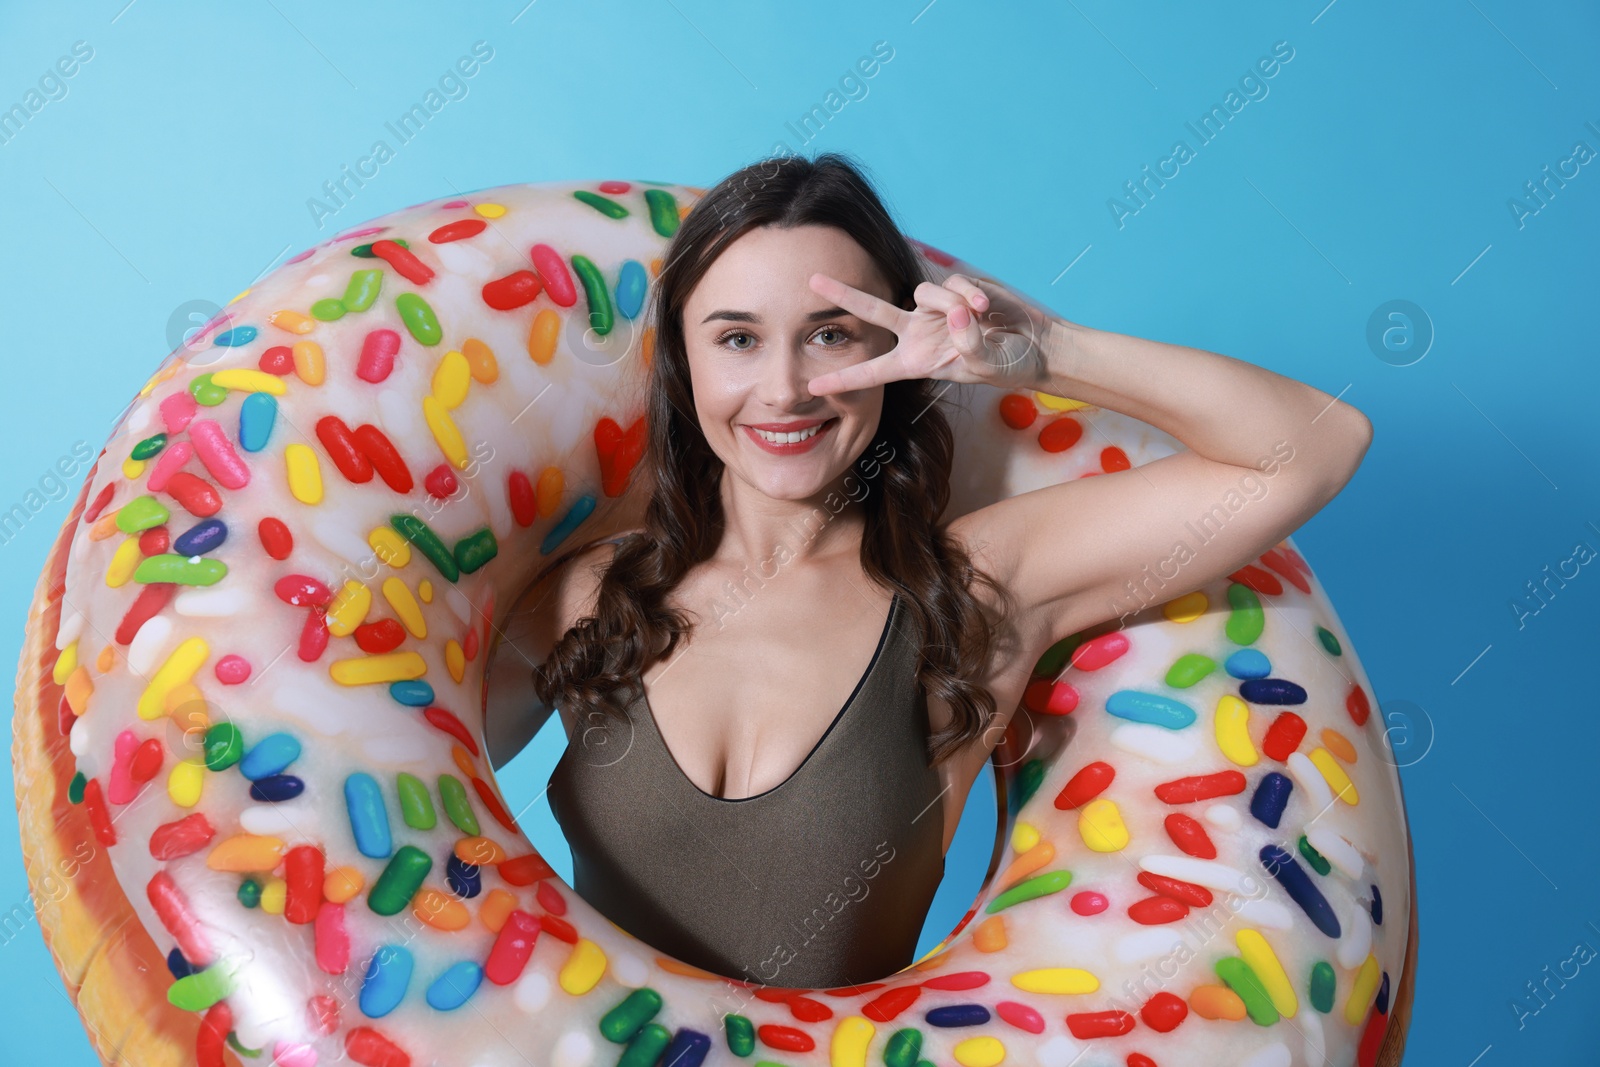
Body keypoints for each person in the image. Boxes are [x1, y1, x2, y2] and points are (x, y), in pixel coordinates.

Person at [490, 151, 1372, 991]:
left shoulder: (972, 591)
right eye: (738, 339)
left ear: (899, 349)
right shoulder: (591, 595)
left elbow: (1313, 449)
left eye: (831, 334)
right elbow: (399, 794)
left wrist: (1046, 351)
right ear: (684, 365)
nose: (787, 387)